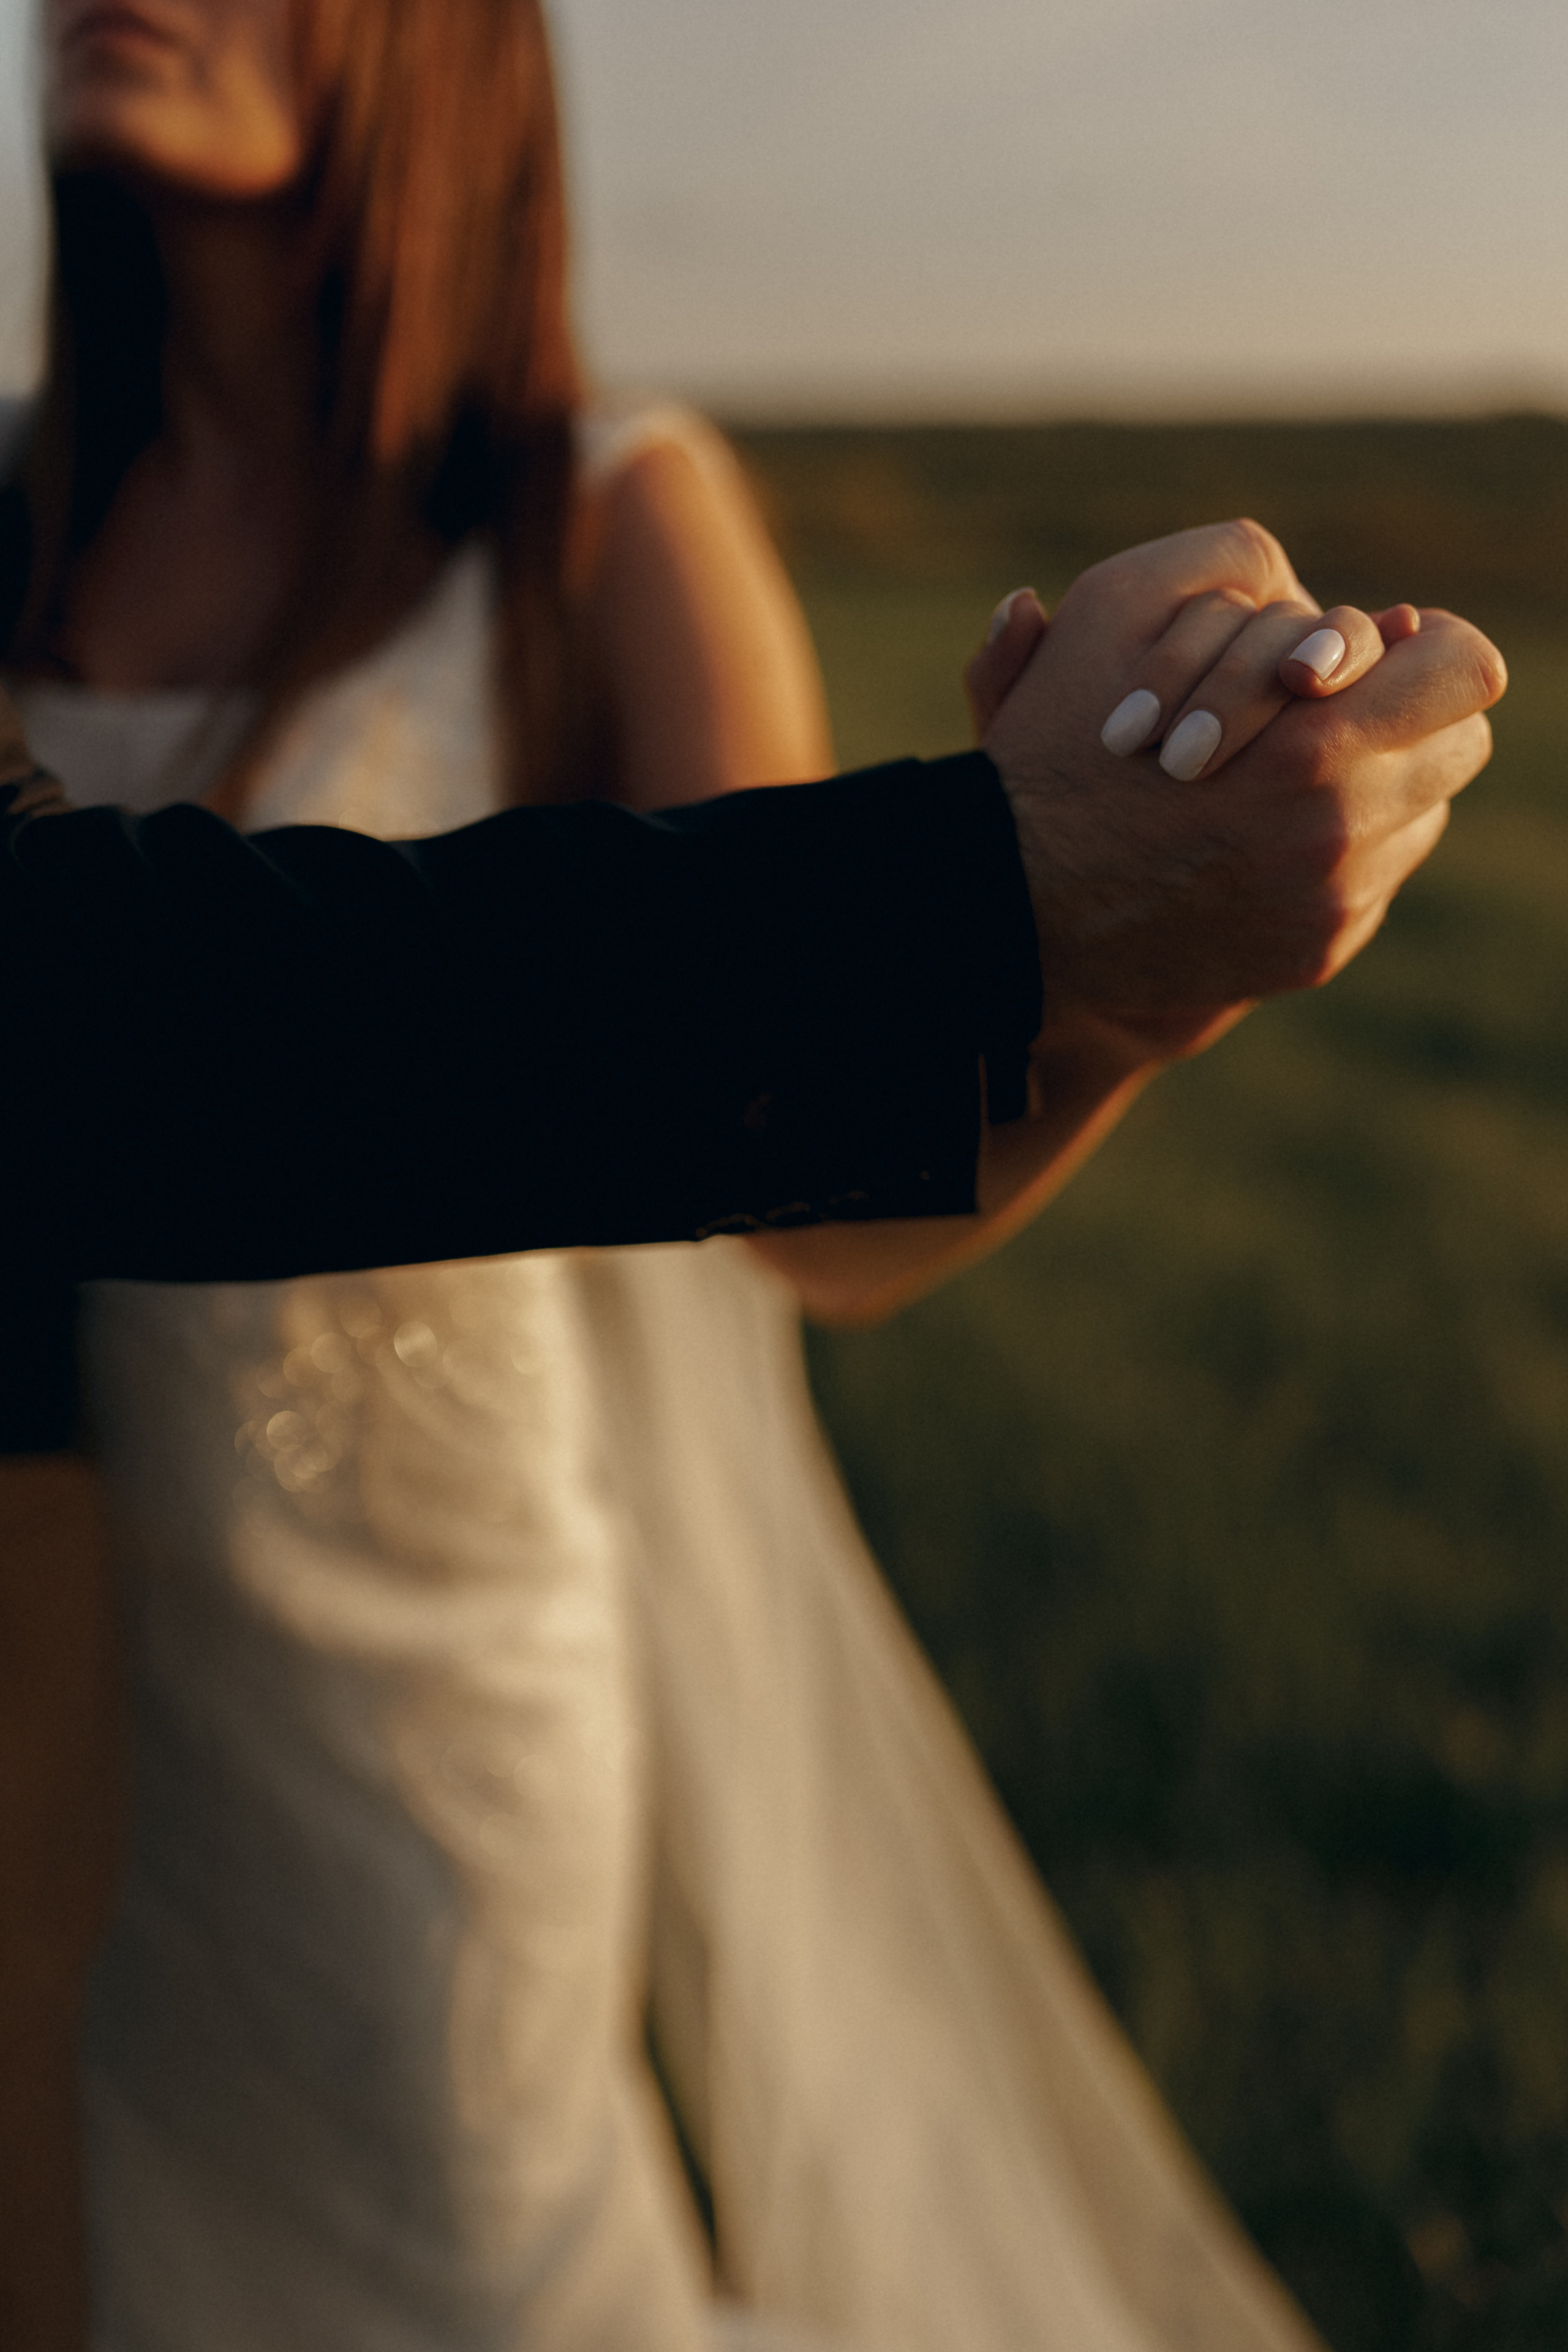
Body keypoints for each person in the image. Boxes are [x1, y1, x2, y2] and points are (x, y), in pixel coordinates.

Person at [0, 3, 1506, 2350]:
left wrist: (1118, 995)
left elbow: (829, 1211)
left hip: (417, 1701)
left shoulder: (599, 514)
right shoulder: (16, 515)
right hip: (52, 1670)